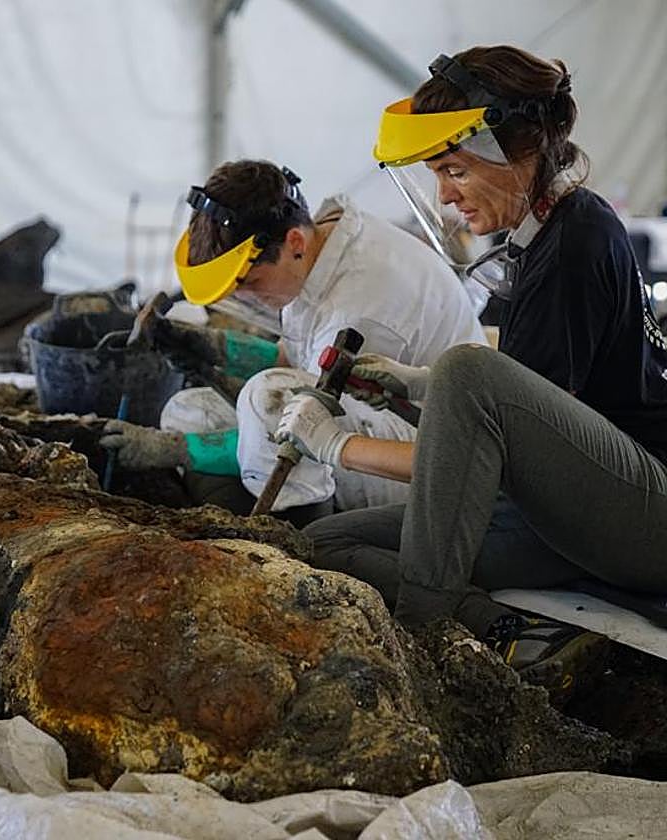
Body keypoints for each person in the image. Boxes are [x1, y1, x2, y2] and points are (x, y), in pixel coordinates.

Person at [276, 46, 667, 691]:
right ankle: (512, 635)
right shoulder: (544, 235)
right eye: (437, 175)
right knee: (325, 543)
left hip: (644, 509)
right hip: (578, 505)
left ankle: (427, 640)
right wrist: (410, 388)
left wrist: (336, 444)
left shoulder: (575, 240)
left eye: (454, 170)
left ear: (518, 150)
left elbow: (503, 433)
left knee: (467, 368)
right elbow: (533, 407)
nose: (445, 196)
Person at [100, 160, 483, 521]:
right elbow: (297, 359)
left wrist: (175, 450)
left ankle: (303, 531)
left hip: (429, 459)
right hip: (371, 422)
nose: (248, 299)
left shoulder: (359, 306)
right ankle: (241, 506)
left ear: (294, 241)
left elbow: (306, 420)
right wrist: (215, 348)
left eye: (251, 283)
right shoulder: (321, 247)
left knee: (267, 398)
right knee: (191, 410)